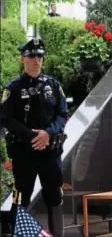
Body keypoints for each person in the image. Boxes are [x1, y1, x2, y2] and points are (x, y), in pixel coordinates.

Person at [0, 38, 68, 237]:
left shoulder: (54, 86)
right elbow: (6, 119)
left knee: (54, 196)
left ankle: (57, 234)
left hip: (50, 152)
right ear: (23, 58)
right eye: (31, 56)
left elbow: (62, 114)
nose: (36, 60)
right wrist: (32, 137)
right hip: (24, 153)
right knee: (21, 197)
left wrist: (48, 133)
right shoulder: (12, 89)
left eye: (39, 56)